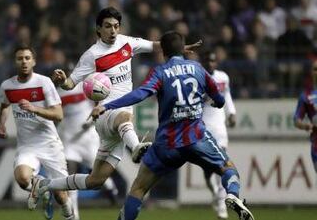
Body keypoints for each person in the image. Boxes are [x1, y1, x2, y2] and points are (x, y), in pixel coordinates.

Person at [28, 6, 202, 204]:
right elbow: (70, 84)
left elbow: (155, 45)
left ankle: (43, 185)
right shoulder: (92, 55)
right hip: (105, 112)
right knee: (124, 117)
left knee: (96, 180)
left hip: (117, 125)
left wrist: (178, 50)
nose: (113, 31)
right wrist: (62, 80)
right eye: (108, 26)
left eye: (116, 26)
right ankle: (136, 147)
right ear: (98, 29)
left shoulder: (126, 43)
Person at [91, 31, 255, 220]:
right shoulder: (198, 69)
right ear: (183, 49)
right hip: (197, 137)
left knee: (138, 188)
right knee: (228, 168)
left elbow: (141, 93)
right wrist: (212, 101)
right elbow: (219, 100)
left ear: (163, 52)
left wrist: (107, 105)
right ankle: (233, 195)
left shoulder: (160, 72)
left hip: (167, 144)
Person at [0, 45, 74, 220]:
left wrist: (34, 109)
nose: (24, 62)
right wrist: (1, 125)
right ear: (15, 62)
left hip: (50, 144)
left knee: (62, 196)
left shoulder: (44, 82)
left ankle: (68, 213)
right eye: (20, 58)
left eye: (27, 58)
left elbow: (58, 115)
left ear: (34, 61)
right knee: (23, 178)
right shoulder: (7, 86)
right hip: (27, 146)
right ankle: (41, 186)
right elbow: (4, 106)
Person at [57, 81, 119, 220]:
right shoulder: (55, 93)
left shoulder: (84, 86)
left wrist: (92, 120)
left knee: (97, 173)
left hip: (88, 139)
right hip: (70, 141)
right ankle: (74, 216)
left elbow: (101, 102)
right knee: (69, 178)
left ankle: (110, 189)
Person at [201, 51, 237, 219]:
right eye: (208, 60)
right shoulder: (198, 77)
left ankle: (222, 206)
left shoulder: (223, 77)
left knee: (223, 166)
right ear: (203, 61)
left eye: (213, 60)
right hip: (203, 128)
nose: (211, 63)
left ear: (217, 62)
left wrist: (232, 113)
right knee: (208, 173)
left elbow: (227, 95)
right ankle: (215, 194)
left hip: (220, 128)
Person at [294, 60, 317, 173]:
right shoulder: (306, 96)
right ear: (311, 72)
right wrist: (305, 126)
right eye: (315, 69)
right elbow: (297, 119)